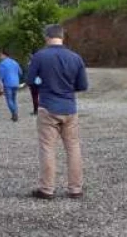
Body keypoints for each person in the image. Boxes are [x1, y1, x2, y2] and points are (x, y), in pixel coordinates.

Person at [27, 24, 89, 200]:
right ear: (62, 36)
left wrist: (43, 84)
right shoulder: (75, 57)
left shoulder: (39, 56)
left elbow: (30, 80)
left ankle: (47, 189)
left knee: (47, 148)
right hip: (70, 108)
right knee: (73, 148)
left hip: (48, 107)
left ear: (47, 37)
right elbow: (83, 85)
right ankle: (75, 189)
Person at [0, 49, 23, 122]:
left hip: (8, 83)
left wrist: (0, 84)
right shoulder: (15, 62)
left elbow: (1, 76)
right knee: (14, 99)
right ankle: (14, 114)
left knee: (9, 99)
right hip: (16, 83)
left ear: (4, 55)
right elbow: (20, 72)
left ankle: (14, 113)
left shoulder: (2, 63)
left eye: (0, 55)